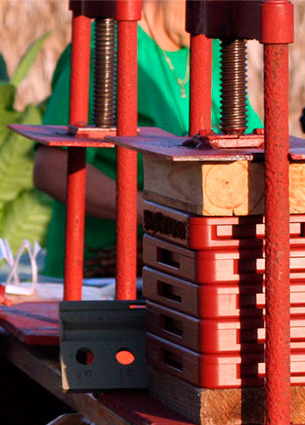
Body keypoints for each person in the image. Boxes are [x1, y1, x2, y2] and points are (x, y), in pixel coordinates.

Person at [33, 0, 262, 278]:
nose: (211, 11)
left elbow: (254, 145)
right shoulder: (105, 49)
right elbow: (51, 169)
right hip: (101, 273)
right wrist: (159, 217)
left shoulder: (215, 51)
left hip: (180, 267)